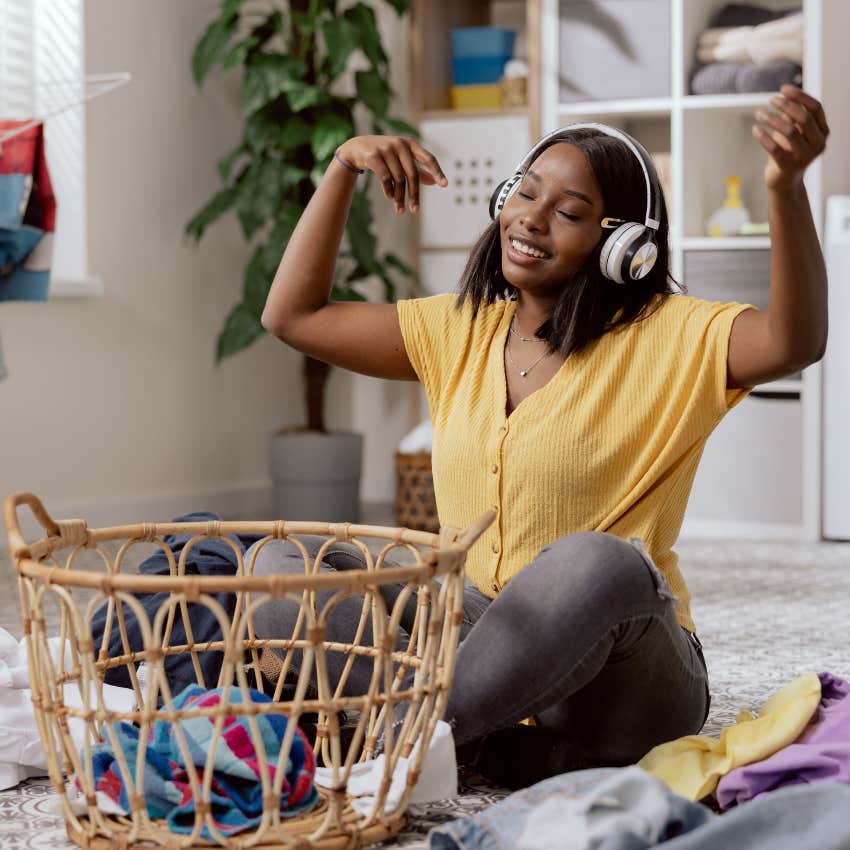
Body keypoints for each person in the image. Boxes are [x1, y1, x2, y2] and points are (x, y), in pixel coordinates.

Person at [256, 84, 829, 789]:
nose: (531, 220)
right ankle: (490, 747)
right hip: (475, 638)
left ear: (623, 246)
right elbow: (292, 315)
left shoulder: (671, 334)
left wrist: (787, 187)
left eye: (569, 213)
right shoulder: (458, 329)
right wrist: (343, 168)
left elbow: (794, 340)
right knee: (283, 566)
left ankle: (397, 741)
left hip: (621, 673)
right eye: (525, 194)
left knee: (600, 563)